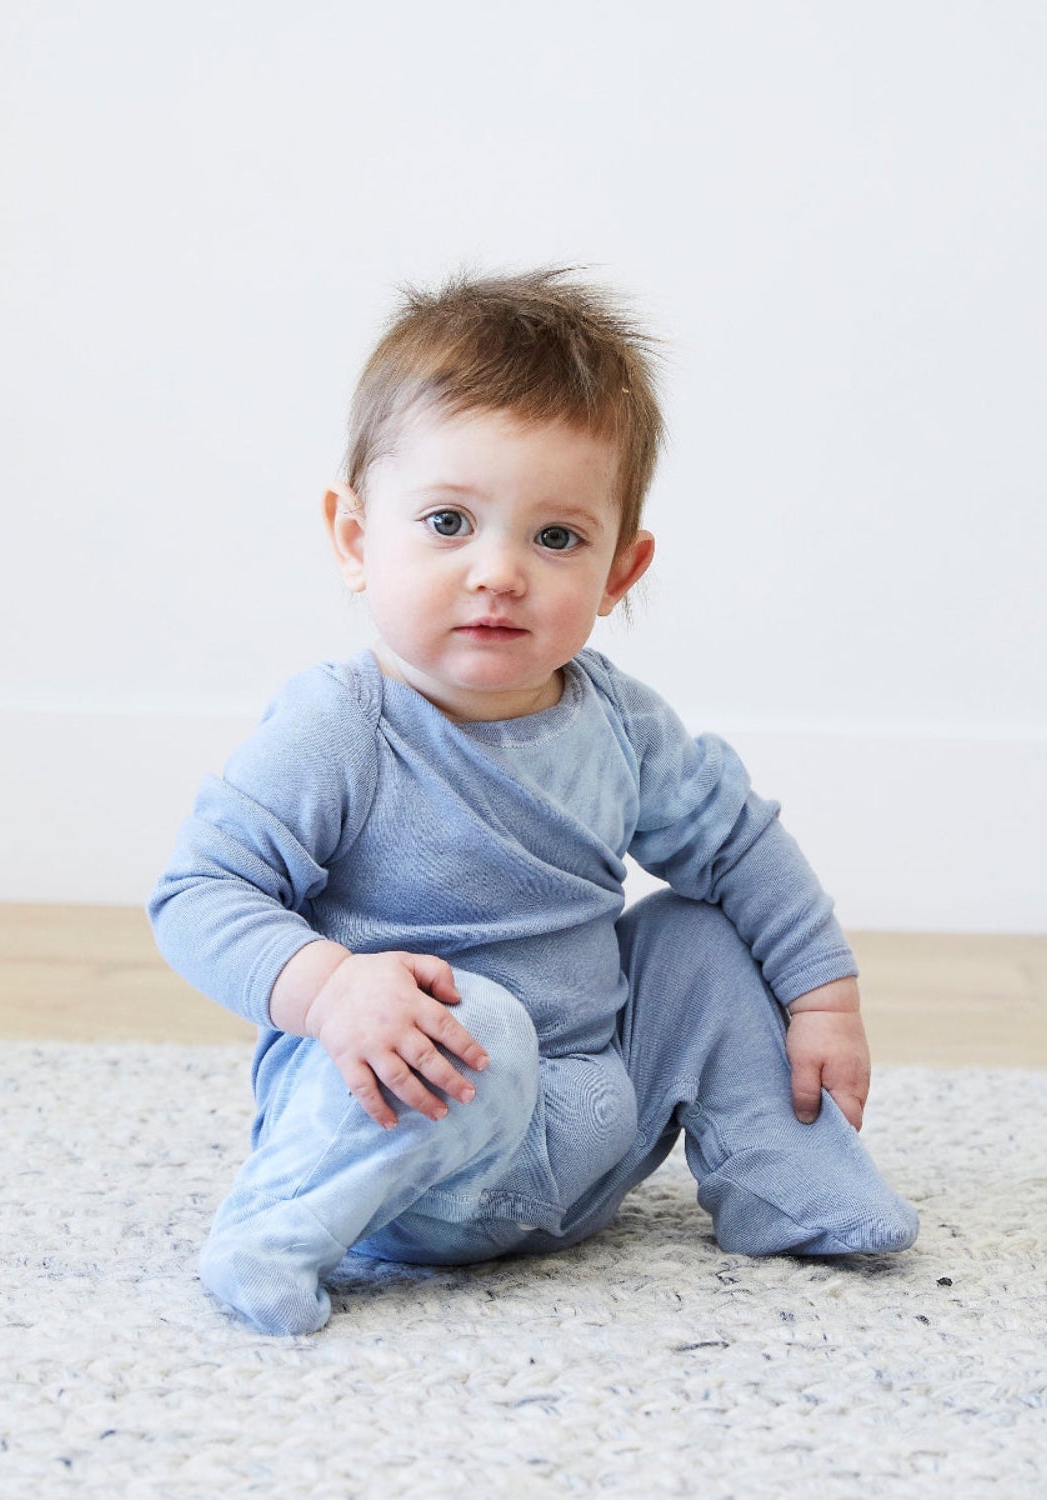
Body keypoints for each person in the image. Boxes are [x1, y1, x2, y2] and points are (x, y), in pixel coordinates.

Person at [148, 267, 918, 1336]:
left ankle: (783, 1180)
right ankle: (276, 1225)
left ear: (620, 571)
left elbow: (739, 846)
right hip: (414, 1142)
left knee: (699, 931)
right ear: (356, 540)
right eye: (450, 521)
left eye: (555, 538)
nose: (499, 572)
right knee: (483, 1018)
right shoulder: (341, 728)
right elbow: (197, 894)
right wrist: (328, 991)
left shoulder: (619, 722)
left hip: (589, 1135)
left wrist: (823, 996)